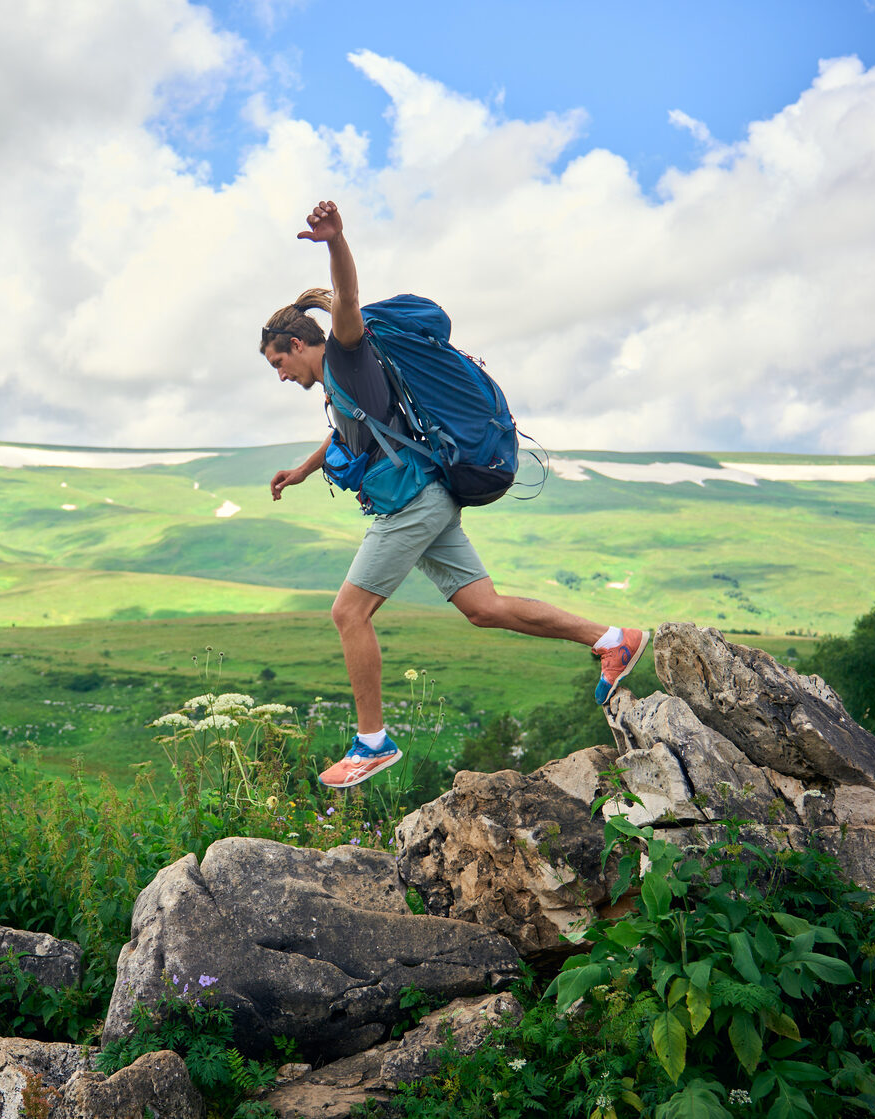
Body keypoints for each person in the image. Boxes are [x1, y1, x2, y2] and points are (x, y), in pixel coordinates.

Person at [261, 199, 648, 789]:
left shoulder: (345, 351)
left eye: (277, 362)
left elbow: (347, 299)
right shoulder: (342, 385)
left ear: (296, 341)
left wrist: (337, 242)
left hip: (411, 505)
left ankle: (373, 743)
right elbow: (349, 434)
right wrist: (303, 471)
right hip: (428, 498)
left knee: (348, 612)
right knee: (483, 609)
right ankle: (611, 639)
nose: (280, 375)